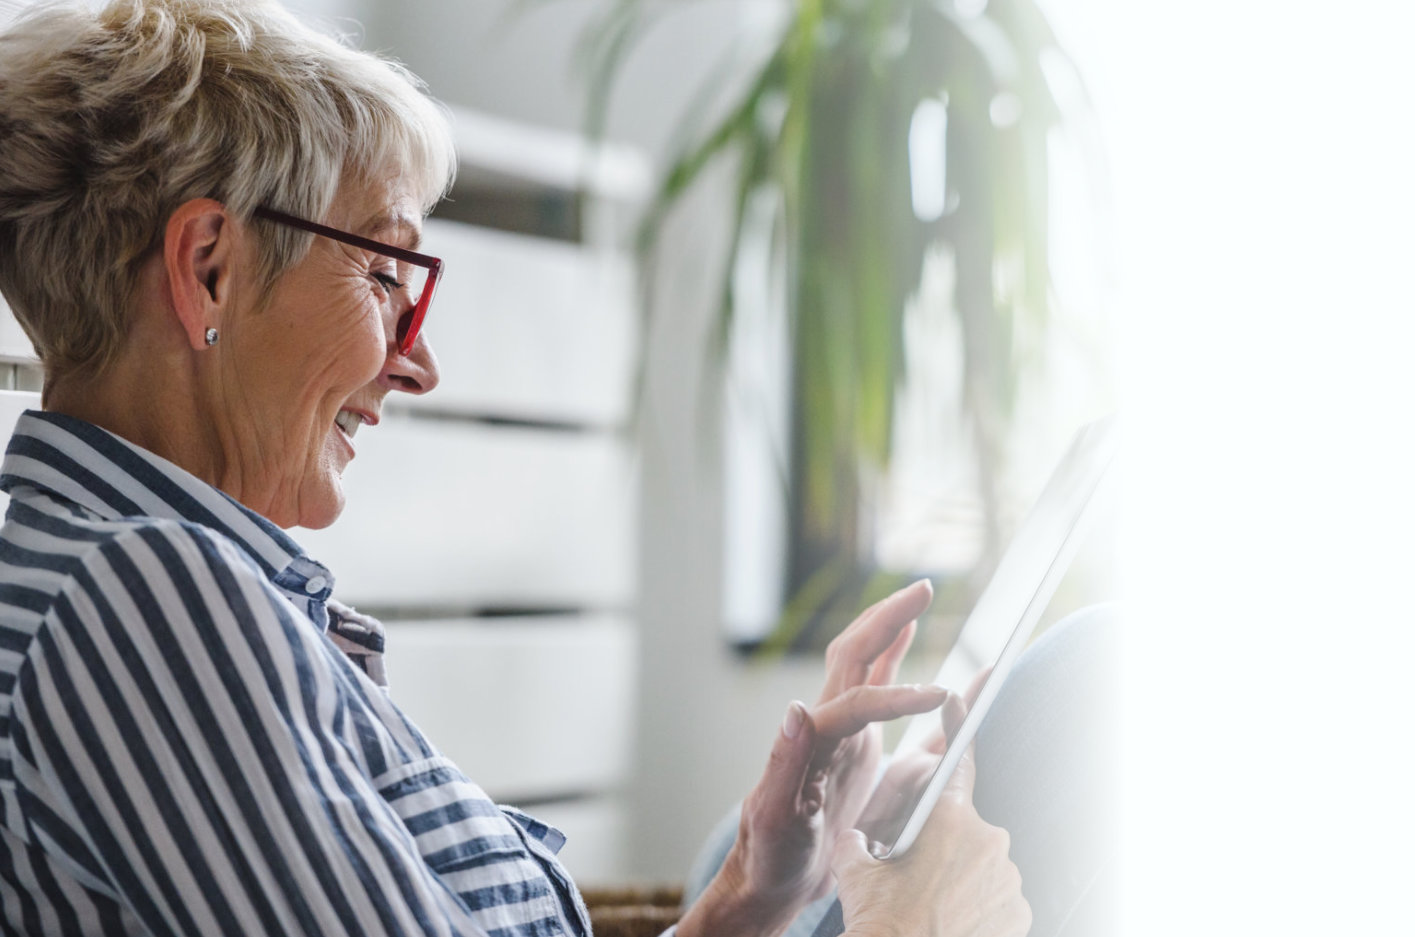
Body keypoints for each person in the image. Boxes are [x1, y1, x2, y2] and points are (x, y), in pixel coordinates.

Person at [0, 1, 1032, 934]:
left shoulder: (149, 585)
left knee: (870, 806)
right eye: (386, 276)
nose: (419, 360)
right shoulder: (143, 599)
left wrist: (746, 897)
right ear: (208, 268)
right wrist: (916, 922)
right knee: (1049, 717)